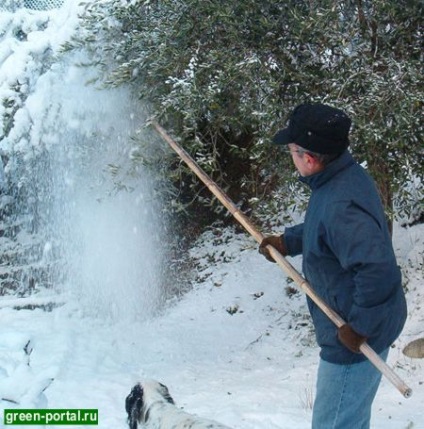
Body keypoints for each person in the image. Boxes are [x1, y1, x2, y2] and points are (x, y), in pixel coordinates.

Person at [259, 103, 407, 429]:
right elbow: (325, 230)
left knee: (335, 423)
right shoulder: (341, 177)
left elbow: (377, 269)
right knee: (350, 419)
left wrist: (359, 328)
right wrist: (288, 242)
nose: (291, 157)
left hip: (354, 337)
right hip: (365, 324)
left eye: (292, 151)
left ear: (308, 158)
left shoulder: (340, 203)